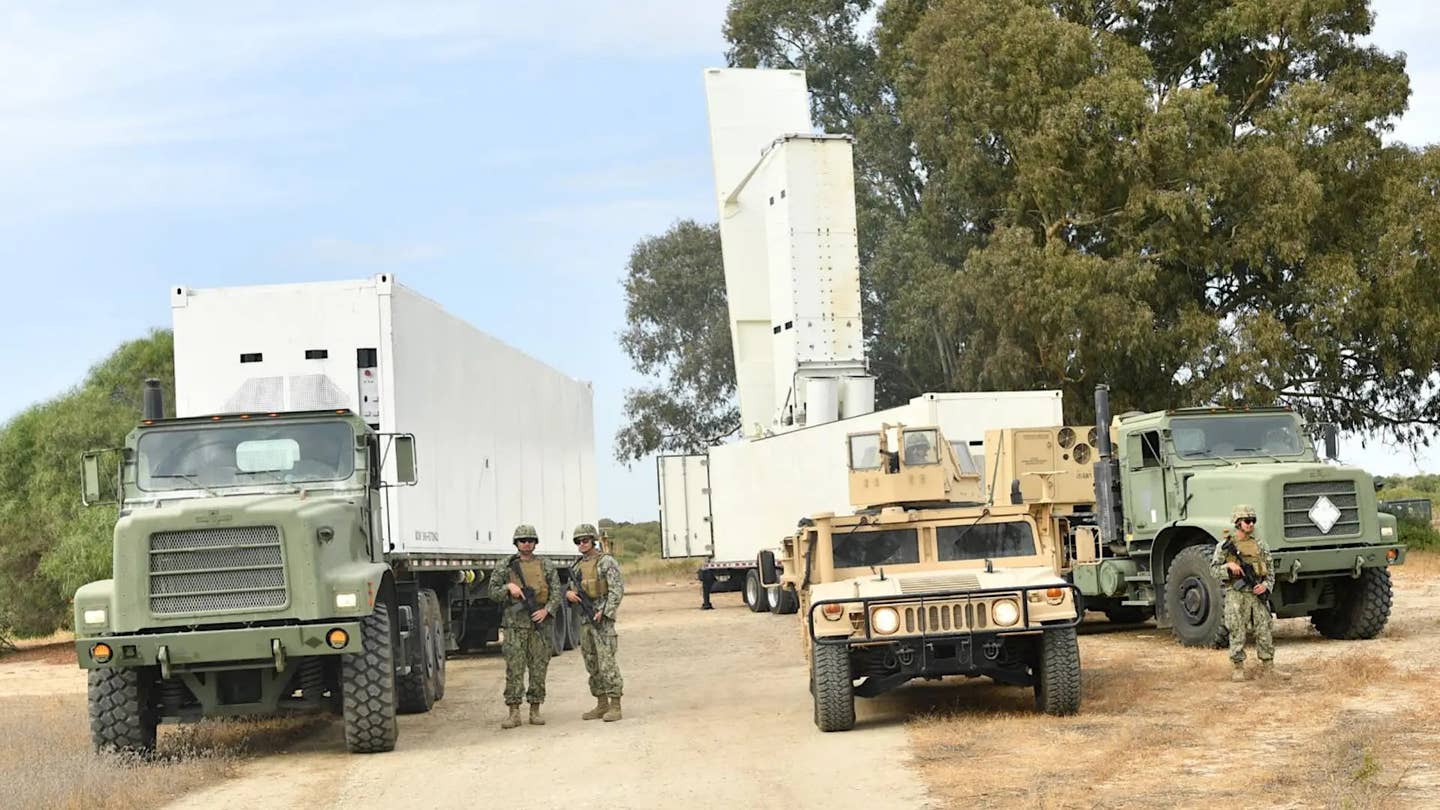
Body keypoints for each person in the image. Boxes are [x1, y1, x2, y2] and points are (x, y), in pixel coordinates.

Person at [488, 523, 561, 728]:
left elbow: (556, 592)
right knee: (515, 669)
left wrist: (546, 610)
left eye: (530, 540)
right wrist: (508, 587)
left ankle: (535, 709)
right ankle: (514, 712)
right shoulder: (505, 566)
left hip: (540, 625)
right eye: (522, 541)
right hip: (514, 626)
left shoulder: (546, 565)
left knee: (538, 667)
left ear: (535, 543)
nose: (526, 544)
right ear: (516, 543)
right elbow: (492, 592)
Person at [1211, 505, 1288, 681]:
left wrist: (1266, 586)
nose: (1250, 524)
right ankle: (1238, 668)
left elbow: (1270, 572)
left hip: (1256, 594)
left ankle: (1269, 667)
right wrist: (1228, 567)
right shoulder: (1224, 547)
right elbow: (1213, 571)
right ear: (1237, 523)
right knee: (1237, 630)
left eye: (1253, 521)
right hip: (1236, 594)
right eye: (1247, 521)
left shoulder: (1260, 545)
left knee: (1264, 629)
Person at [566, 523, 626, 722]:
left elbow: (616, 590)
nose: (581, 544)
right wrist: (569, 595)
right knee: (591, 663)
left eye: (585, 540)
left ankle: (615, 705)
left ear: (593, 540)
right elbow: (570, 589)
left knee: (607, 662)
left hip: (602, 620)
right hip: (584, 620)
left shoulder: (606, 562)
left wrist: (605, 611)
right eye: (578, 541)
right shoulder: (576, 566)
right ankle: (601, 704)